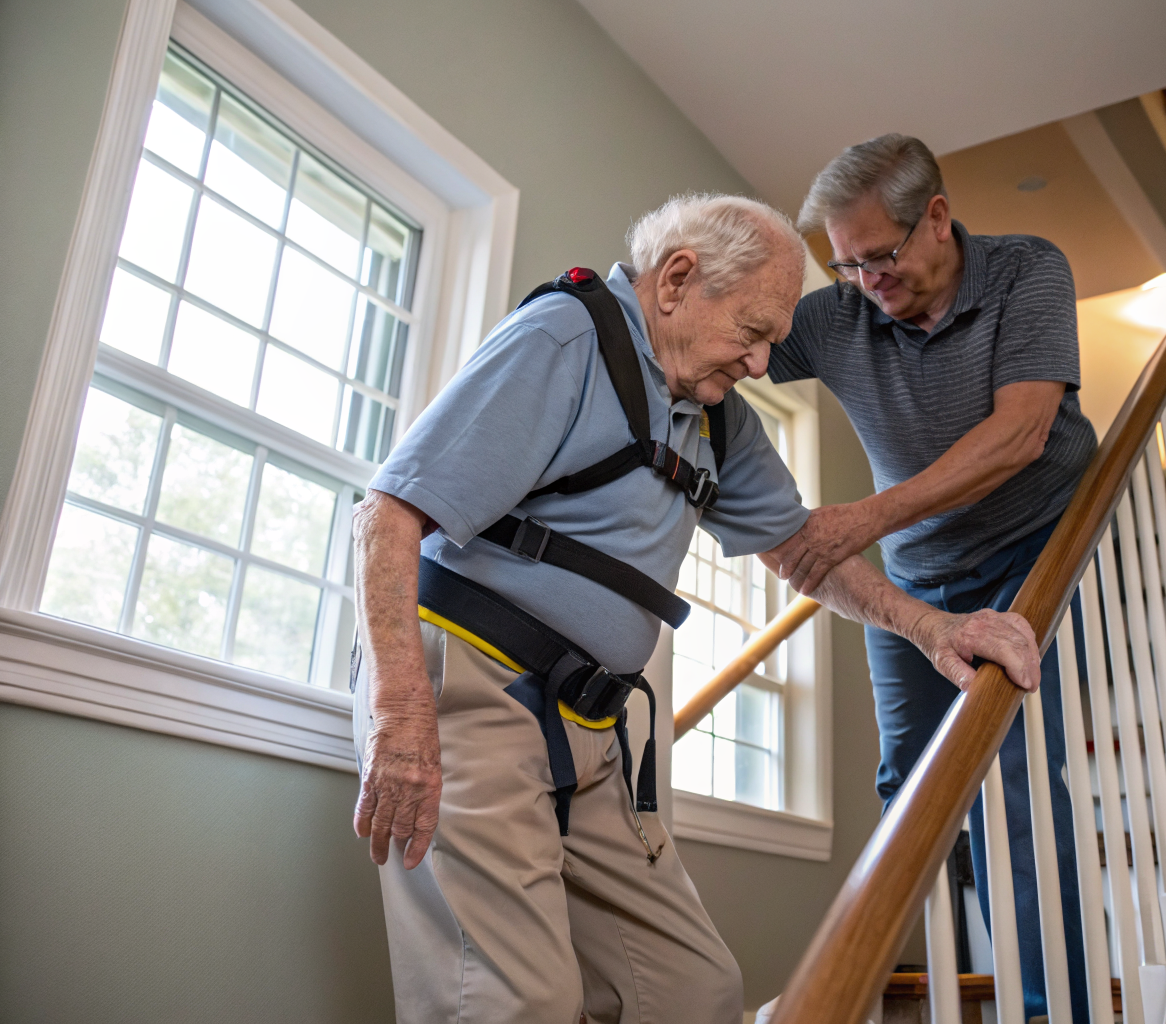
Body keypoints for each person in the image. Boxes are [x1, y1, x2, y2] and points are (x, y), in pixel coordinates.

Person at [350, 192, 1042, 1024]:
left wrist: (932, 629)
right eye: (752, 334)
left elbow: (803, 551)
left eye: (772, 346)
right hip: (465, 687)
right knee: (514, 1000)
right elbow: (387, 516)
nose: (758, 365)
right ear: (676, 279)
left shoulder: (716, 419)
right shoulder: (564, 339)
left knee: (689, 992)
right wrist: (398, 710)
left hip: (589, 722)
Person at [767, 135, 1099, 1024]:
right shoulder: (840, 315)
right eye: (845, 266)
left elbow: (1021, 431)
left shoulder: (1028, 271)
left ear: (939, 218)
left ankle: (1043, 1007)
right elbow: (743, 342)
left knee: (1015, 776)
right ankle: (939, 981)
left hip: (1034, 548)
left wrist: (857, 522)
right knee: (908, 786)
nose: (867, 281)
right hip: (920, 580)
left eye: (881, 255)